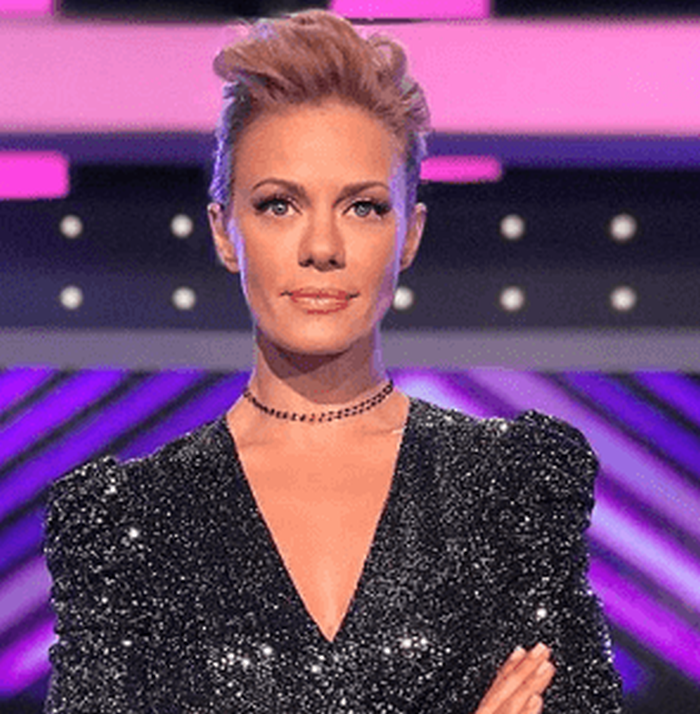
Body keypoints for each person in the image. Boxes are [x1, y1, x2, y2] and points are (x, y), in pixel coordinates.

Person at [44, 9, 623, 713]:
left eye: (364, 208)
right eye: (279, 205)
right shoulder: (124, 523)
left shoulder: (511, 488)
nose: (322, 247)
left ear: (410, 233)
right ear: (225, 232)